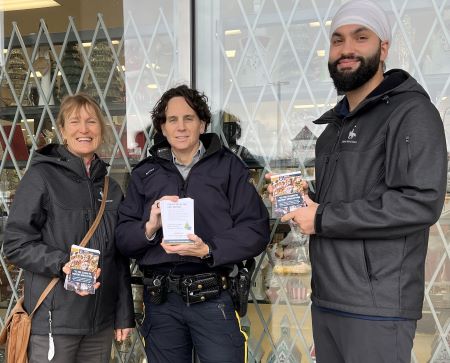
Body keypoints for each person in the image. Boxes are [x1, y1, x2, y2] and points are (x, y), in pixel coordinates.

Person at [268, 1, 447, 362]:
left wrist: (321, 216)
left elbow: (419, 202)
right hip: (327, 298)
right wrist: (306, 200)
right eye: (337, 40)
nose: (346, 49)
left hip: (376, 307)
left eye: (360, 37)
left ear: (383, 49)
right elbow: (343, 201)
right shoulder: (332, 130)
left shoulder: (411, 113)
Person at [115, 85, 270, 363]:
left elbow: (256, 229)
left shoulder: (229, 167)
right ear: (162, 128)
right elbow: (123, 239)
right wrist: (149, 227)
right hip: (161, 302)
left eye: (189, 118)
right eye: (172, 119)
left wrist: (209, 250)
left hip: (213, 296)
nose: (181, 126)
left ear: (202, 124)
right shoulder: (145, 173)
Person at [4, 93, 135, 363]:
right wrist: (63, 263)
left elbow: (118, 257)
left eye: (91, 122)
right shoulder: (41, 177)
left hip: (99, 324)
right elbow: (16, 244)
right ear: (62, 130)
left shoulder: (112, 188)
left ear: (101, 129)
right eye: (74, 121)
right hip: (54, 323)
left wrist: (123, 315)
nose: (84, 129)